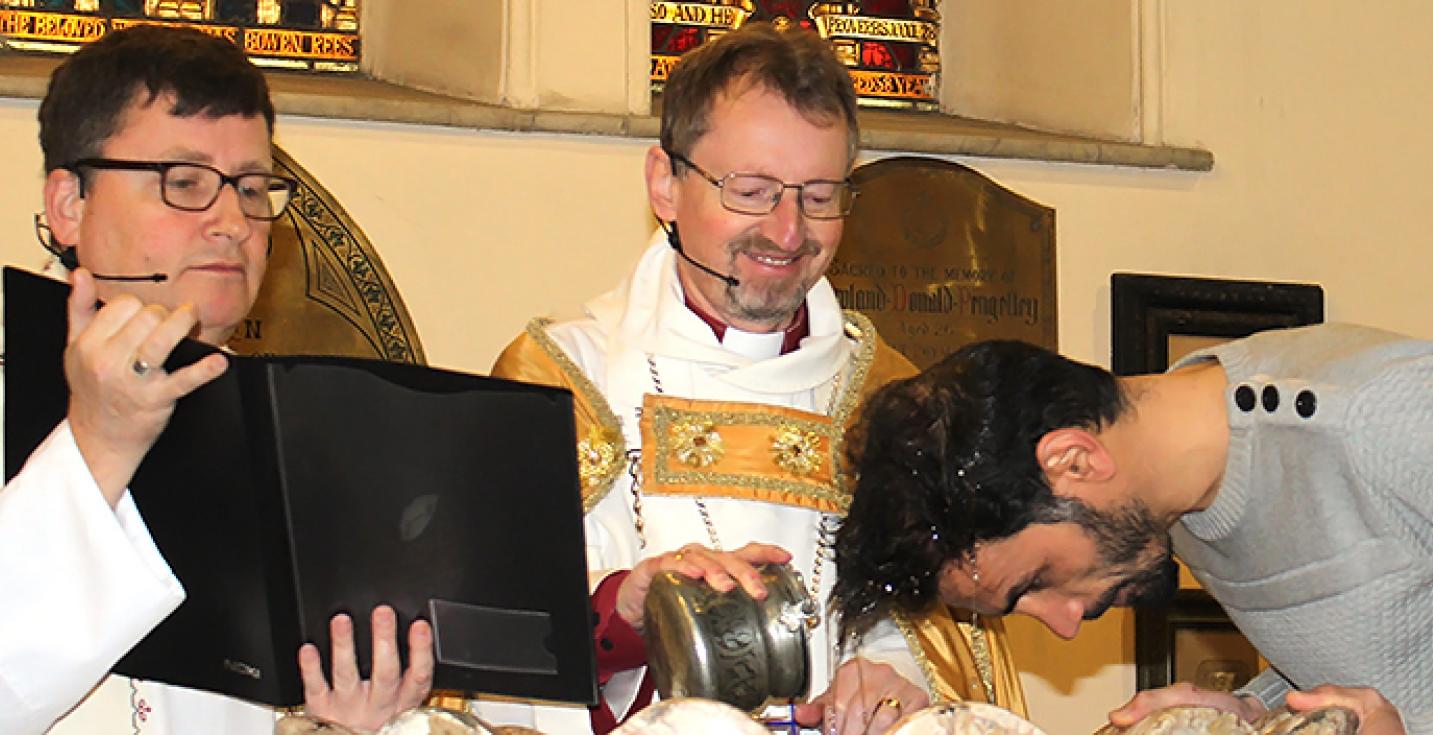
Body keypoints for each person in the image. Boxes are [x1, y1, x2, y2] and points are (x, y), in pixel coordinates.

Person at [488, 22, 1025, 735]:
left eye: (820, 194)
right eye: (751, 190)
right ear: (664, 184)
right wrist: (627, 611)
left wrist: (892, 681)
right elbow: (494, 642)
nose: (786, 231)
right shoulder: (560, 382)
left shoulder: (894, 403)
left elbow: (940, 637)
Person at [0, 25, 432, 735]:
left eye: (253, 188)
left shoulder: (300, 442)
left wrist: (345, 724)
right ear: (68, 205)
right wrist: (98, 444)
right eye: (185, 183)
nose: (233, 222)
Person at [831, 322, 1433, 735]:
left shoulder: (1376, 417)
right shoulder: (1185, 495)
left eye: (1035, 581)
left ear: (1073, 460)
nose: (1063, 621)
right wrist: (1249, 718)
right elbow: (1411, 644)